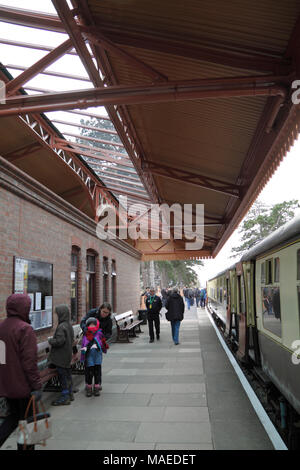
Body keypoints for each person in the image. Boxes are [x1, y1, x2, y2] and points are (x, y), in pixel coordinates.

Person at [0, 294, 42, 450]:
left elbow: (1, 358)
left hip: (8, 385)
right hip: (24, 387)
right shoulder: (25, 329)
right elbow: (29, 362)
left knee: (13, 417)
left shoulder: (2, 327)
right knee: (28, 422)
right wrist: (36, 386)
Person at [48, 304, 74, 406]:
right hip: (67, 356)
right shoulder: (68, 325)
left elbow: (59, 341)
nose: (56, 316)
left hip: (60, 357)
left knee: (62, 377)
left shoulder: (61, 326)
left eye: (57, 314)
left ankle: (65, 397)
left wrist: (51, 341)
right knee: (67, 376)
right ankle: (70, 393)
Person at [80, 317, 109, 396]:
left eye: (93, 325)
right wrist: (83, 354)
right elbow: (83, 344)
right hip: (89, 356)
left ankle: (96, 386)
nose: (92, 327)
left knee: (97, 372)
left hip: (97, 356)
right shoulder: (85, 335)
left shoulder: (99, 334)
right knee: (89, 372)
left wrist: (101, 346)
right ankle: (89, 387)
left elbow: (103, 343)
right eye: (90, 325)